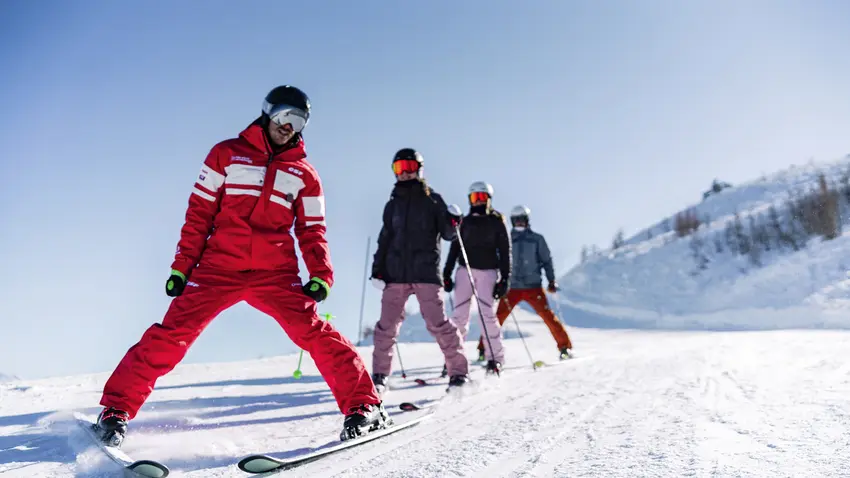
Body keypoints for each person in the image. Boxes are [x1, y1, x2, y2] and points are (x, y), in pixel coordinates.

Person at [94, 85, 386, 447]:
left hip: (275, 273)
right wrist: (182, 267)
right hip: (218, 267)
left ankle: (364, 405)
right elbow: (199, 214)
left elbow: (312, 230)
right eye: (283, 116)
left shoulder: (304, 174)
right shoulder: (227, 154)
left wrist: (321, 275)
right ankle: (115, 410)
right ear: (267, 113)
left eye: (299, 120)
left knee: (314, 332)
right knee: (171, 334)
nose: (289, 126)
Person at [369, 148, 469, 395]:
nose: (404, 173)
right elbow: (385, 239)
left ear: (419, 169)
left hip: (425, 273)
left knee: (438, 324)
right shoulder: (392, 205)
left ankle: (458, 374)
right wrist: (377, 269)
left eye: (409, 167)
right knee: (386, 327)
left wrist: (454, 221)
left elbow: (447, 234)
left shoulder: (432, 200)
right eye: (399, 168)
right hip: (395, 274)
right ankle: (380, 376)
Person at [477, 205, 574, 360]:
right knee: (497, 318)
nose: (519, 223)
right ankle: (483, 349)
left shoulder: (536, 239)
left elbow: (546, 261)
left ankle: (565, 347)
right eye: (516, 220)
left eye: (522, 220)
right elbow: (497, 259)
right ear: (512, 221)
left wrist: (551, 280)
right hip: (511, 287)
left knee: (548, 316)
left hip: (533, 286)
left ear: (527, 220)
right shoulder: (506, 238)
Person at [443, 181, 511, 375]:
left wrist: (504, 279)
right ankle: (453, 359)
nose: (478, 202)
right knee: (459, 316)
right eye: (475, 198)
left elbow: (506, 252)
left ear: (489, 199)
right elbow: (454, 248)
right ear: (469, 200)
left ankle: (495, 359)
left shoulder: (497, 222)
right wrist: (447, 273)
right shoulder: (464, 222)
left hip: (488, 271)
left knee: (486, 314)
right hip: (465, 270)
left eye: (482, 197)